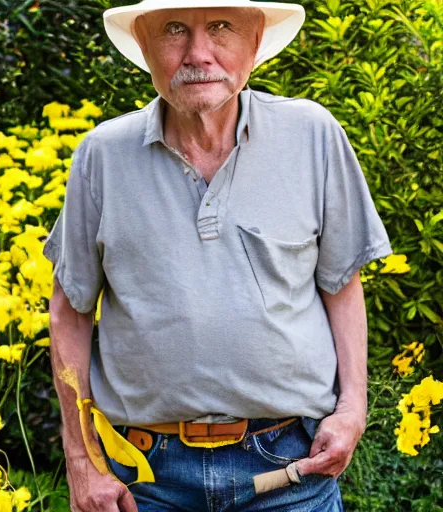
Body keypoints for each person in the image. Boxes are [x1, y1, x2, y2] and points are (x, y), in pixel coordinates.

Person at [42, 0, 394, 510]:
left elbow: (340, 284)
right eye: (174, 30)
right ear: (144, 44)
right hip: (144, 478)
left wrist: (353, 409)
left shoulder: (312, 136)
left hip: (292, 469)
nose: (198, 53)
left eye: (222, 27)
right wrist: (82, 460)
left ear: (254, 42)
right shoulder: (103, 155)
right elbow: (68, 311)